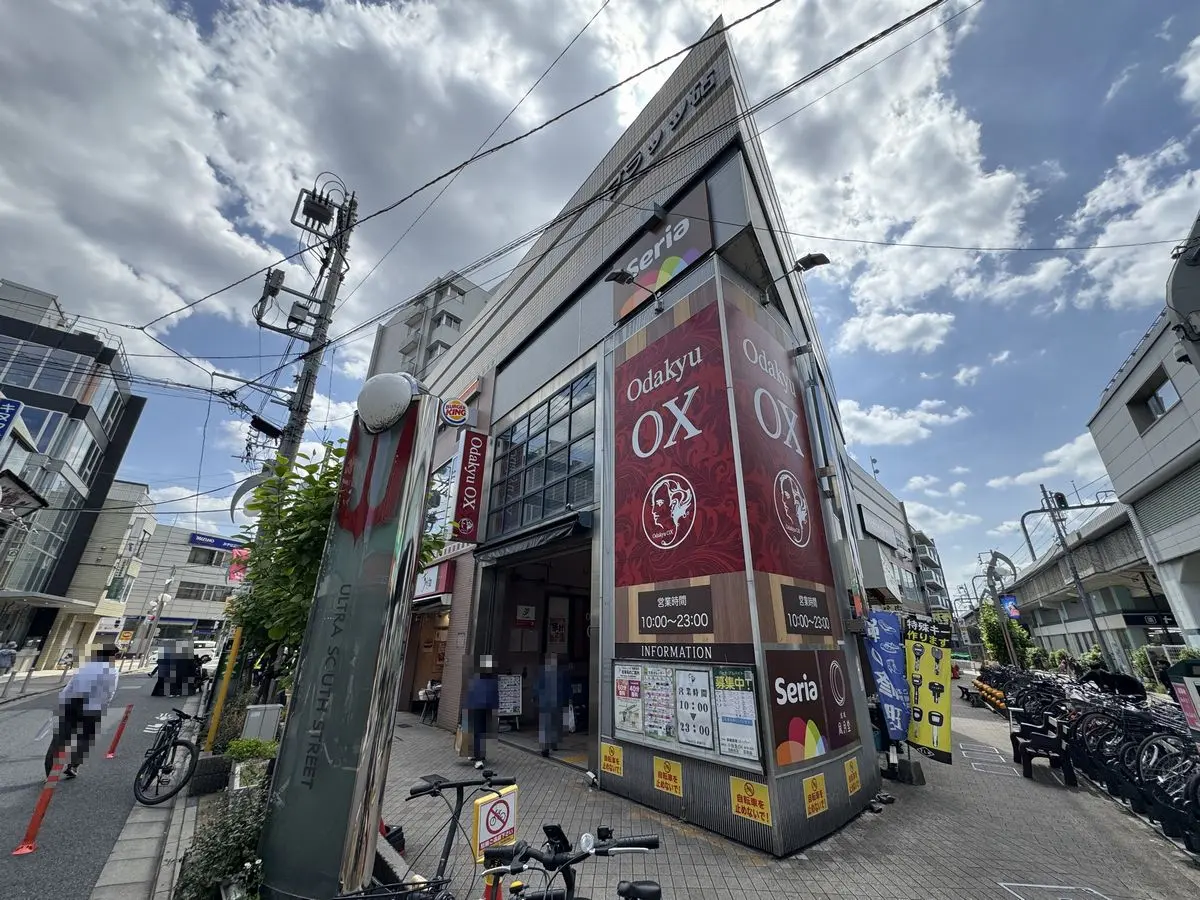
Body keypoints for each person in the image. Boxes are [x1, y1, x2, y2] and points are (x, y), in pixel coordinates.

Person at [45, 644, 120, 779]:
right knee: (85, 738)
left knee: (61, 738)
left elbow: (71, 685)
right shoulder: (112, 670)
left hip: (72, 704)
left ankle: (50, 771)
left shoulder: (86, 667)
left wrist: (62, 702)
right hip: (93, 708)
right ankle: (73, 766)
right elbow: (109, 692)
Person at [463, 659, 498, 768]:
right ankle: (478, 757)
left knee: (477, 732)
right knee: (481, 733)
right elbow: (494, 697)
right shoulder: (492, 681)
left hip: (476, 709)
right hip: (484, 709)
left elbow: (470, 695)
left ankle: (477, 756)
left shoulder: (475, 679)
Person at [536, 654, 570, 757]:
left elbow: (538, 686)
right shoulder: (562, 673)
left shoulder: (543, 673)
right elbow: (567, 687)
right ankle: (553, 744)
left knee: (548, 725)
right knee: (555, 723)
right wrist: (568, 699)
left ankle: (547, 747)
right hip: (557, 702)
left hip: (547, 702)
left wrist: (536, 697)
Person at [1077, 660, 1146, 700]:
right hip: (1109, 691)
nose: (1097, 671)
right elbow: (1082, 680)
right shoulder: (1093, 674)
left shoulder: (1106, 674)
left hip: (1116, 691)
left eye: (1097, 670)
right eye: (1095, 670)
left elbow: (1113, 682)